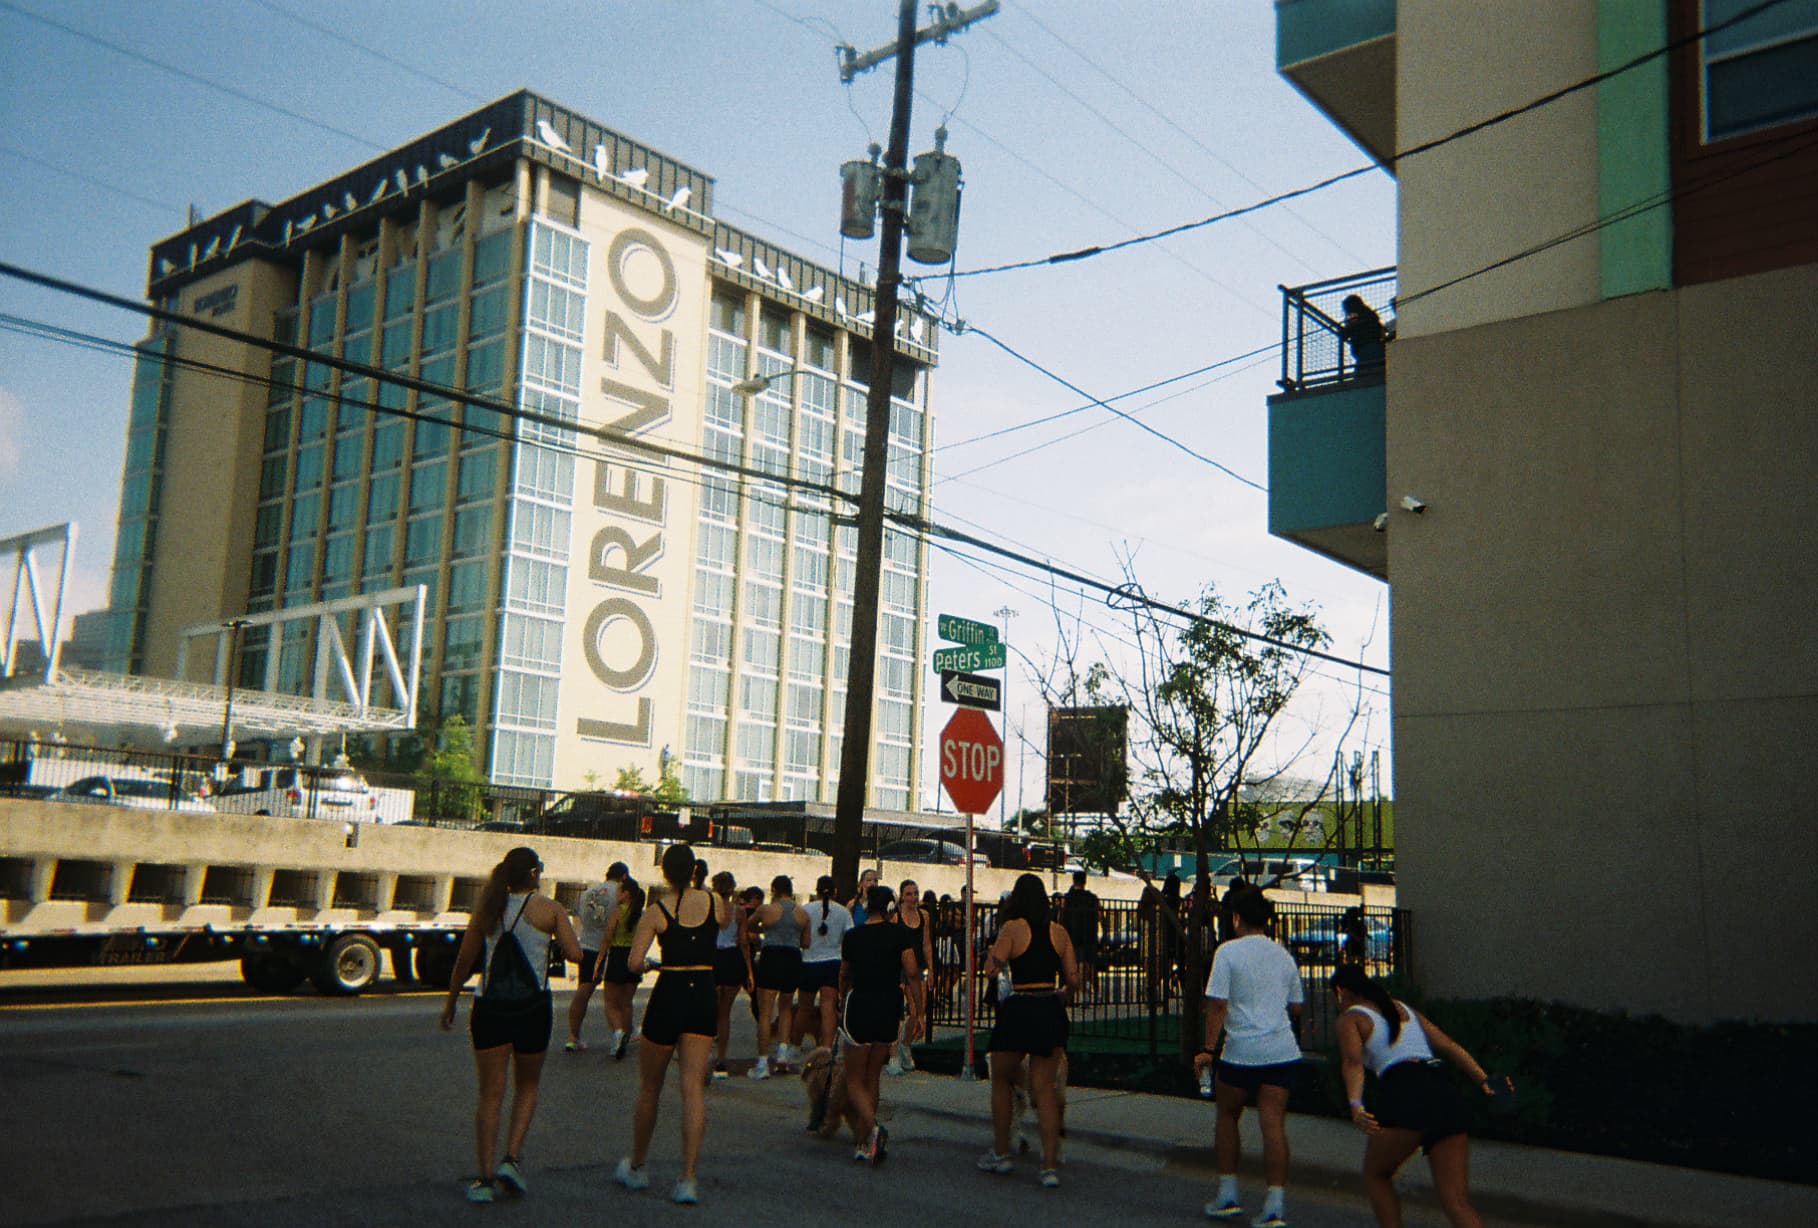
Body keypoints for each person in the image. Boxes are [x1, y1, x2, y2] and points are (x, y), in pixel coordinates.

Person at [439, 846, 582, 1204]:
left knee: (490, 1095)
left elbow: (464, 960)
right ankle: (511, 1158)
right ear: (534, 874)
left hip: (490, 1008)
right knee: (527, 1086)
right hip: (533, 1008)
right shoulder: (550, 909)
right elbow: (575, 954)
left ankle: (484, 1178)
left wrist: (452, 1002)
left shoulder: (488, 908)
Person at [1331, 965, 1503, 1228]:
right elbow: (1449, 1046)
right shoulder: (1404, 1009)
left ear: (1341, 992)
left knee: (1376, 1175)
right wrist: (1483, 1079)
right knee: (1456, 1201)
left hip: (1406, 1091)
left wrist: (1356, 1105)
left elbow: (1352, 1063)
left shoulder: (1351, 1019)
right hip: (1444, 1091)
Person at [613, 842, 727, 1206]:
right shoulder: (715, 903)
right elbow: (721, 926)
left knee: (650, 1086)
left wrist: (649, 965)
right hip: (703, 992)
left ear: (665, 873)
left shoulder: (656, 911)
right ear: (695, 870)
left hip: (670, 990)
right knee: (692, 1087)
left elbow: (633, 962)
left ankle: (638, 1164)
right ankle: (688, 1178)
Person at [1193, 888, 1303, 1227]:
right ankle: (1275, 1204)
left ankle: (1228, 1194)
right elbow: (1297, 1006)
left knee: (1227, 1116)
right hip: (1281, 1050)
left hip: (1241, 1051)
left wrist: (1208, 1049)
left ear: (1236, 917)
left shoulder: (1228, 952)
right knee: (1273, 1124)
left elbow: (1217, 1004)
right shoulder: (1283, 955)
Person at [976, 873, 1078, 1188]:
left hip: (1020, 1008)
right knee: (1044, 1088)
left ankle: (1001, 1152)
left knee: (1002, 1077)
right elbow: (1073, 978)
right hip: (1049, 1005)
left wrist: (993, 954)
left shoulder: (1012, 928)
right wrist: (1063, 994)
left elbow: (991, 968)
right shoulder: (1059, 932)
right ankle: (1048, 1166)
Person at [840, 883, 919, 1163]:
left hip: (860, 1005)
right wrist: (918, 1012)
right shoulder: (899, 934)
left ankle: (872, 1126)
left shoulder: (853, 936)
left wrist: (841, 998)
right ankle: (863, 1142)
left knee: (853, 1078)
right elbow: (912, 973)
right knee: (873, 1076)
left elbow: (844, 973)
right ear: (890, 908)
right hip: (889, 1007)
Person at [748, 875, 809, 1079]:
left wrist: (762, 931)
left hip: (771, 956)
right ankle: (783, 1056)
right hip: (792, 958)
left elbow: (748, 926)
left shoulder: (766, 910)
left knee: (765, 1012)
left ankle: (763, 1062)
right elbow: (806, 942)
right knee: (786, 1009)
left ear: (774, 889)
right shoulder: (802, 913)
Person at [794, 874, 854, 1058]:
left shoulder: (805, 910)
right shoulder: (843, 912)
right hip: (832, 963)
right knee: (828, 1007)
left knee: (804, 1007)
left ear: (816, 890)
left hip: (809, 962)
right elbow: (850, 938)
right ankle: (828, 1048)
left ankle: (794, 1045)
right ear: (835, 891)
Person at [564, 864, 619, 1052]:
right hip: (609, 947)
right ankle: (621, 1032)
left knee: (584, 990)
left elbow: (579, 918)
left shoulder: (588, 892)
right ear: (624, 876)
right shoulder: (620, 893)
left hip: (587, 944)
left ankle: (574, 1035)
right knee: (615, 995)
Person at [884, 879, 934, 1074]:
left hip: (917, 966)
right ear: (902, 897)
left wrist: (931, 969)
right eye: (909, 894)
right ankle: (893, 1055)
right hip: (899, 967)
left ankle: (906, 1045)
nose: (913, 897)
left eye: (915, 893)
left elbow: (927, 943)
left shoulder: (924, 916)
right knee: (897, 1014)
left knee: (916, 1011)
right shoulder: (896, 917)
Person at [595, 863, 644, 1059]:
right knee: (626, 1002)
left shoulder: (618, 912)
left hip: (617, 955)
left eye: (620, 891)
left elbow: (608, 937)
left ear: (626, 893)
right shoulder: (640, 913)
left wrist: (599, 959)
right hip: (633, 957)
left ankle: (618, 1033)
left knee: (610, 1002)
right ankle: (628, 1032)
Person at [709, 871, 752, 1080]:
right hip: (733, 959)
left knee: (711, 1011)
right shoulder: (739, 912)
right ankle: (721, 1059)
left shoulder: (709, 910)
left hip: (713, 958)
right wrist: (750, 972)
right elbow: (744, 942)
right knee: (725, 1014)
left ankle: (703, 1055)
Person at [1060, 870, 1101, 1001]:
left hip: (1073, 935)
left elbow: (1062, 917)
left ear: (1073, 880)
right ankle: (1094, 991)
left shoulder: (1068, 898)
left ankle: (1079, 992)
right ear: (1085, 881)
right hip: (1090, 935)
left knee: (1076, 964)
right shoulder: (1092, 898)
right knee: (1091, 965)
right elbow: (1099, 916)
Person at [1340, 293, 1386, 375]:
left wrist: (1346, 329)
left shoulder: (1356, 315)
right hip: (1375, 346)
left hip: (1367, 348)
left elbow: (1346, 333)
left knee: (1364, 376)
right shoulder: (1369, 314)